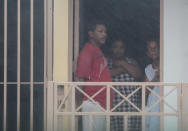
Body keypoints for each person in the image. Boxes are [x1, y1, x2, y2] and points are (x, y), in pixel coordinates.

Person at [76, 21, 113, 131]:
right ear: (91, 34)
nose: (104, 34)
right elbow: (80, 79)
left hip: (100, 103)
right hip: (93, 102)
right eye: (100, 31)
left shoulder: (97, 51)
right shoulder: (88, 51)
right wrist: (77, 106)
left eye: (105, 32)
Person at [107, 39, 142, 131]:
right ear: (111, 48)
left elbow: (138, 74)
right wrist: (125, 68)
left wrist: (122, 63)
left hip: (131, 106)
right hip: (113, 107)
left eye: (121, 47)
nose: (118, 50)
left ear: (125, 49)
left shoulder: (132, 61)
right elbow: (106, 74)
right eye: (115, 47)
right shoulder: (105, 62)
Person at [145, 41, 160, 131]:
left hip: (165, 104)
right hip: (152, 105)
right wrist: (156, 76)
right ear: (148, 54)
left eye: (155, 48)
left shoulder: (168, 65)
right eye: (150, 49)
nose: (153, 50)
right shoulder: (148, 68)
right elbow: (145, 92)